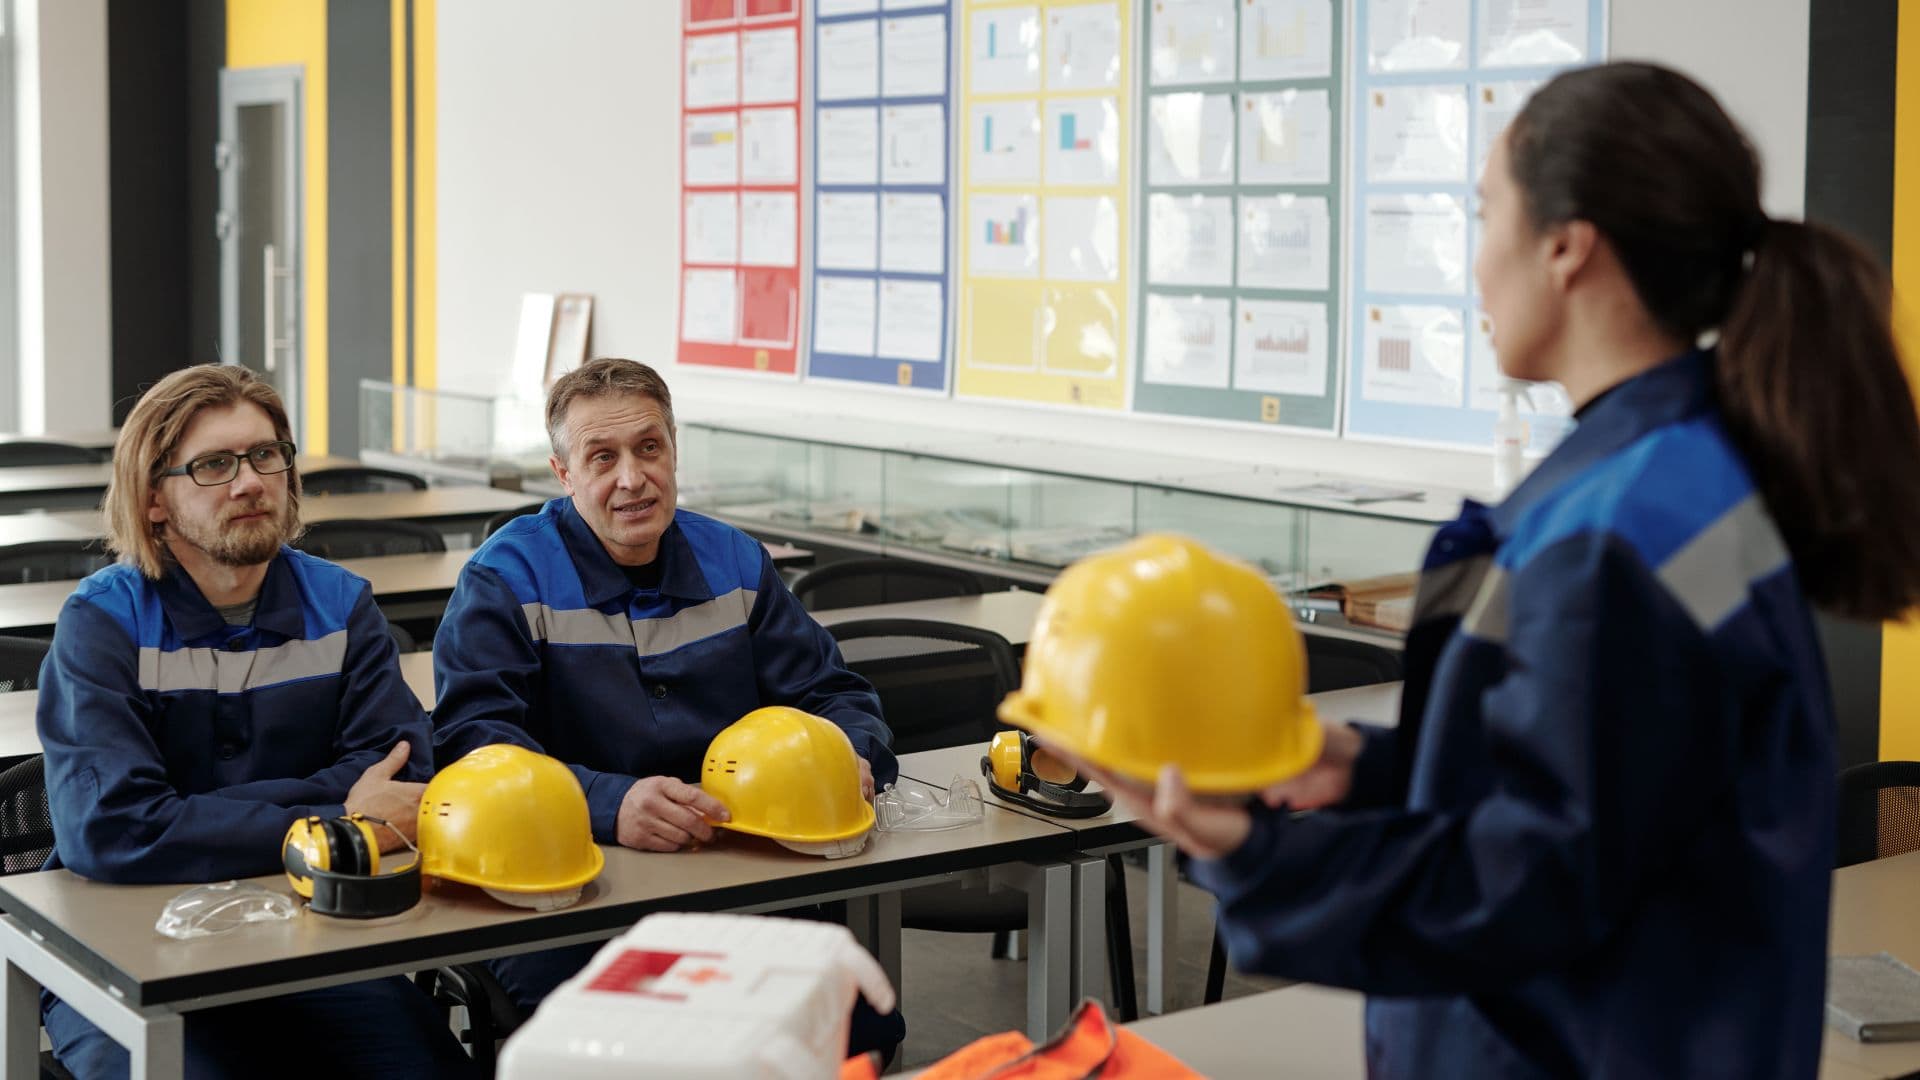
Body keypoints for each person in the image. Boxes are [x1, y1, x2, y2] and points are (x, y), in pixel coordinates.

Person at [1070, 62, 1920, 1078]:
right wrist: (1371, 768)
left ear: (1566, 247)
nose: (1474, 267)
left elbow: (1527, 887)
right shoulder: (1693, 480)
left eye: (1483, 216)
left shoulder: (1609, 532)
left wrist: (1252, 855)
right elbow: (1625, 783)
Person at [431, 358, 903, 1053]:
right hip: (564, 892)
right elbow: (474, 745)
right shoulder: (506, 579)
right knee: (635, 1048)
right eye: (602, 457)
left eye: (649, 448)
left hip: (736, 876)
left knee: (858, 1025)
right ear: (564, 476)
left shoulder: (736, 563)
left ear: (674, 450)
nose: (632, 478)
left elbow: (836, 695)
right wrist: (609, 803)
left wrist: (849, 752)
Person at [36, 364, 474, 1079]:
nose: (250, 482)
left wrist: (191, 815)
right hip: (129, 948)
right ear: (153, 499)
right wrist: (339, 820)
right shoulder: (103, 622)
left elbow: (402, 778)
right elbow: (113, 828)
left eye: (266, 455)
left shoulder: (341, 603)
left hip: (317, 937)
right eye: (214, 465)